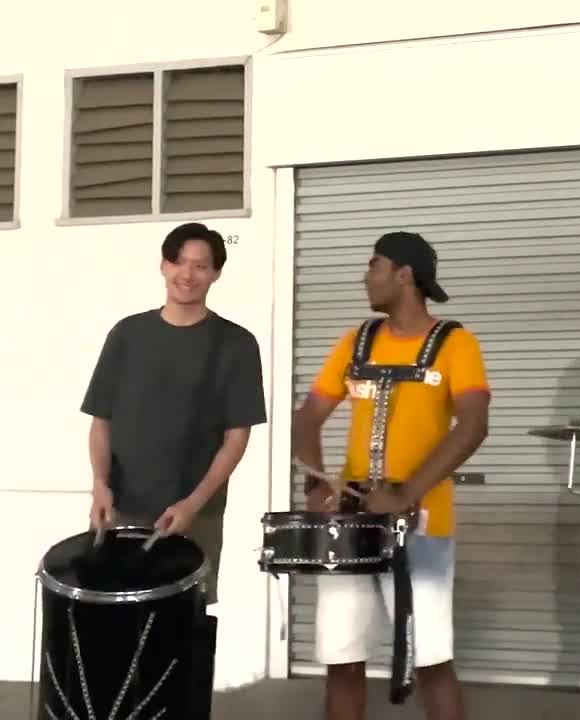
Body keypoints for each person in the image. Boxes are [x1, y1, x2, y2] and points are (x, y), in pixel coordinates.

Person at [292, 231, 490, 720]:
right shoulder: (356, 342)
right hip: (350, 523)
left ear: (404, 275)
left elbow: (473, 425)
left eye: (374, 265)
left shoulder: (455, 344)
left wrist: (406, 493)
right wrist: (317, 484)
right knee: (342, 660)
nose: (366, 276)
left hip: (423, 523)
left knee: (431, 661)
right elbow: (308, 417)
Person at [82, 221, 267, 605]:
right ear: (164, 266)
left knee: (184, 624)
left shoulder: (236, 344)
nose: (188, 274)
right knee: (112, 620)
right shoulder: (127, 334)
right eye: (179, 262)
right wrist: (100, 485)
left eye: (201, 266)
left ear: (216, 274)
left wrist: (192, 505)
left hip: (194, 515)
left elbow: (236, 438)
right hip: (120, 510)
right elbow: (102, 421)